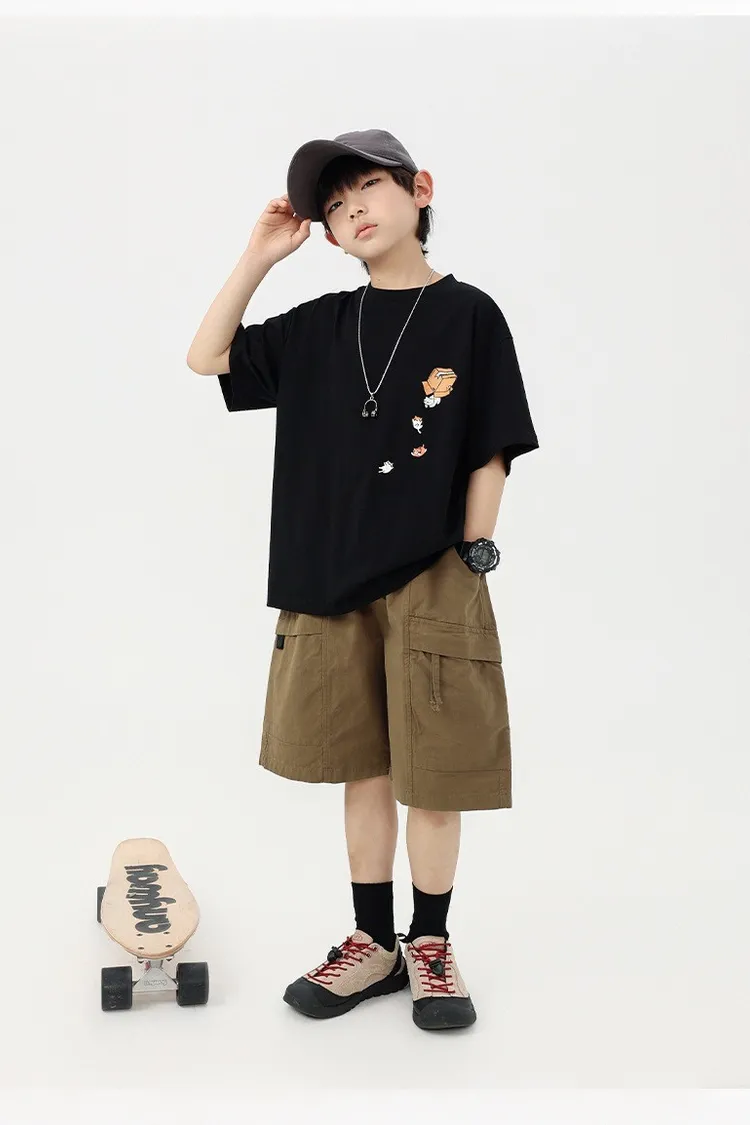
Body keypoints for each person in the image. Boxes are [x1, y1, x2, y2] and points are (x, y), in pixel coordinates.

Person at [186, 129, 540, 1031]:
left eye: (368, 189)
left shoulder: (470, 314)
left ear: (420, 190)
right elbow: (207, 356)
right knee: (363, 768)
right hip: (327, 574)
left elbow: (492, 445)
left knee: (438, 773)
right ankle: (372, 941)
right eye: (336, 207)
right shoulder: (319, 326)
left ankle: (431, 941)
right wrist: (258, 257)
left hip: (433, 571)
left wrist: (474, 552)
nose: (353, 211)